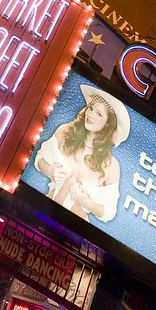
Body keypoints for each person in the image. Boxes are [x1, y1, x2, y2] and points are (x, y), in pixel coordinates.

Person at [34, 85, 130, 222]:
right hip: (41, 212)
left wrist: (85, 201)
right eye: (91, 108)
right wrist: (50, 170)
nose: (90, 114)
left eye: (99, 114)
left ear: (108, 124)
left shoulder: (110, 164)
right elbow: (39, 158)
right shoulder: (66, 132)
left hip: (73, 229)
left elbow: (109, 213)